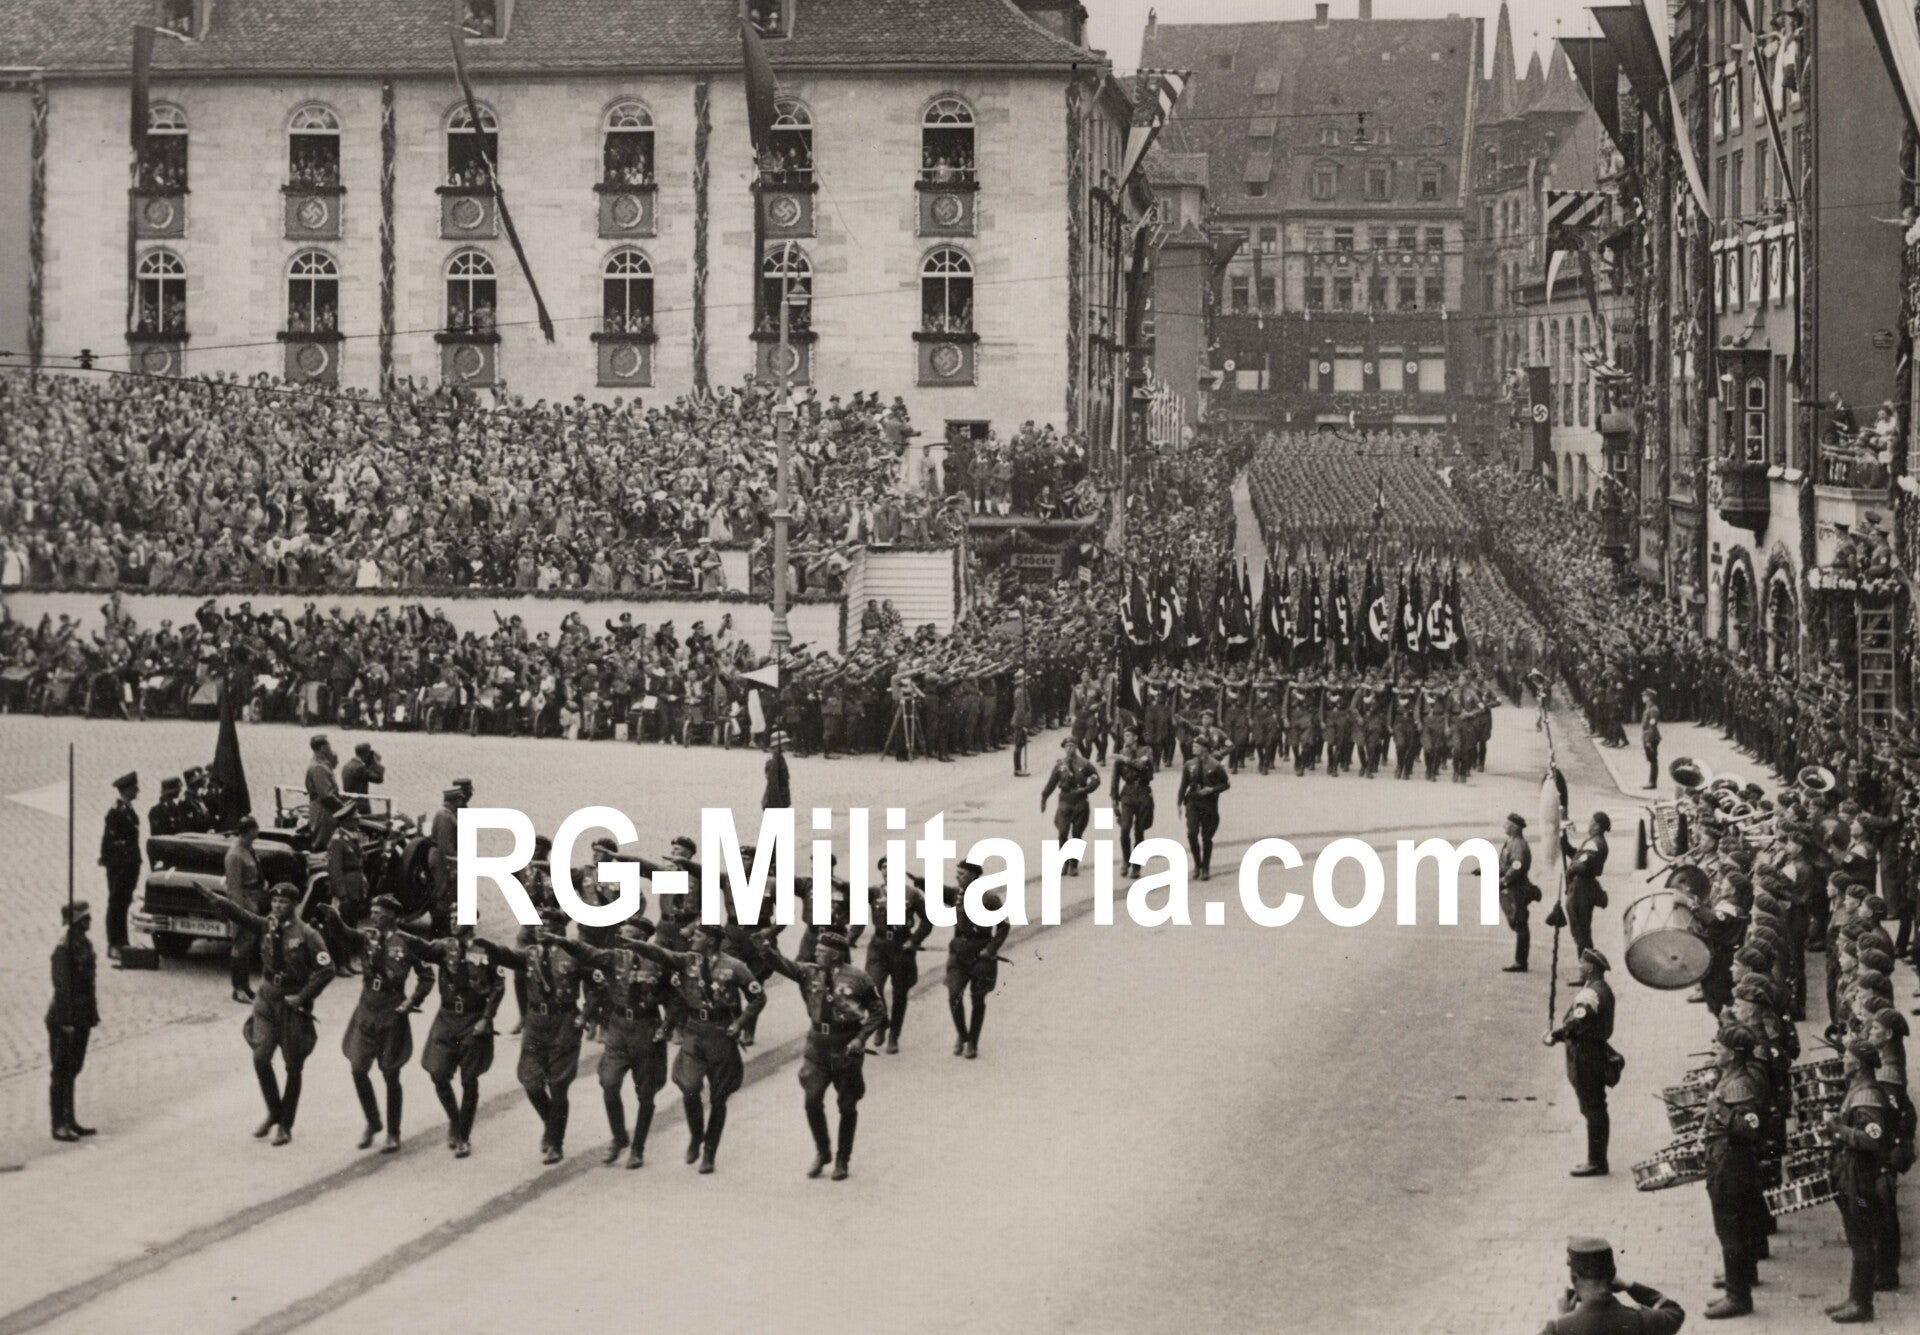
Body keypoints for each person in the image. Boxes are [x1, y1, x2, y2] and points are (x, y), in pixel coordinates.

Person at [189, 880, 336, 1145]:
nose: (277, 906)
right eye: (275, 901)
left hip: (292, 1002)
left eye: (283, 902)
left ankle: (285, 1125)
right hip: (267, 997)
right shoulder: (267, 925)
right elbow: (242, 916)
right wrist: (217, 900)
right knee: (260, 1056)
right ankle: (273, 1112)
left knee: (293, 1065)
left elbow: (327, 970)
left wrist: (302, 997)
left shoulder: (308, 934)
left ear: (294, 905)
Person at [630, 920, 767, 1174]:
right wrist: (634, 944)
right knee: (689, 1087)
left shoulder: (735, 966)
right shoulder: (687, 961)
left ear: (711, 940)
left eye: (699, 935)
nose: (692, 938)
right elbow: (662, 954)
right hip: (694, 1031)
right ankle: (696, 1135)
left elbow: (758, 997)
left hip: (721, 1033)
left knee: (718, 1097)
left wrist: (741, 1023)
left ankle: (709, 1152)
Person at [551, 916, 673, 1168]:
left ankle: (637, 1148)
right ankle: (619, 1138)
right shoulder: (614, 957)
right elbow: (588, 951)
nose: (621, 938)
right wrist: (561, 940)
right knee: (609, 1082)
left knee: (646, 1093)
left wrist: (666, 1027)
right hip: (618, 1027)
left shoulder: (660, 961)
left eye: (627, 934)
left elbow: (677, 998)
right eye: (621, 933)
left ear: (642, 938)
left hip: (646, 1027)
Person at [764, 929, 886, 1179]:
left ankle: (842, 1159)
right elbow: (782, 965)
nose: (816, 953)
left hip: (846, 1045)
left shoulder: (859, 978)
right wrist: (764, 949)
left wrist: (861, 1038)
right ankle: (823, 1152)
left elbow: (877, 1010)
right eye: (816, 950)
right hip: (817, 1046)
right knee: (812, 1100)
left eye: (821, 951)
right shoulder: (808, 972)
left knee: (847, 1105)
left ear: (836, 955)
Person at [335, 894, 433, 1153]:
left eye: (379, 913)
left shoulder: (407, 942)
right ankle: (373, 1122)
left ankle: (393, 1133)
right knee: (358, 1068)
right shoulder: (368, 937)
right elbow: (346, 934)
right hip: (367, 1008)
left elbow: (427, 976)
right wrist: (333, 918)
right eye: (373, 911)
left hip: (392, 1011)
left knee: (391, 1074)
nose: (374, 916)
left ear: (391, 916)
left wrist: (412, 1001)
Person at [492, 904, 587, 1164]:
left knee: (558, 1086)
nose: (540, 931)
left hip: (564, 1022)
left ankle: (556, 1142)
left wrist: (586, 1014)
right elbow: (506, 956)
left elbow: (598, 986)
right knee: (531, 1083)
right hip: (535, 1023)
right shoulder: (530, 954)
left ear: (560, 930)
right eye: (538, 926)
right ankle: (551, 1123)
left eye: (547, 927)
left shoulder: (574, 955)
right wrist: (487, 947)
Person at [416, 920, 505, 1158]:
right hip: (447, 1018)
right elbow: (422, 949)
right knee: (438, 1073)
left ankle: (464, 1136)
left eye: (458, 917)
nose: (453, 922)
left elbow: (498, 986)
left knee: (469, 1079)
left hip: (473, 1018)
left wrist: (487, 1018)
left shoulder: (485, 949)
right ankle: (455, 1121)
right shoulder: (444, 947)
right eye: (451, 917)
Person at [1702, 1023, 1770, 1319]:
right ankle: (1741, 1280)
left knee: (1729, 1229)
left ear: (1732, 1054)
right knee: (1738, 1227)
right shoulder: (1732, 1078)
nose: (1713, 1049)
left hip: (1731, 1164)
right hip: (1729, 1161)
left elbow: (1749, 1127)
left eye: (1719, 1046)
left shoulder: (1740, 1085)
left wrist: (1718, 1109)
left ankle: (1737, 1297)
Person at [1825, 1039, 1896, 1323]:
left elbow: (1871, 1139)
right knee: (1857, 1237)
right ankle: (1855, 1297)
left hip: (1862, 1181)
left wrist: (1839, 1130)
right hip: (1854, 1177)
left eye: (1847, 1057)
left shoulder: (1867, 1096)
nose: (1844, 1060)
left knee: (1862, 1238)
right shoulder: (1859, 1089)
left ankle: (1862, 1304)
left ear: (1858, 1064)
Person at [1548, 947, 1616, 1177]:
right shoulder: (1599, 989)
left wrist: (1555, 1035)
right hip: (1593, 1051)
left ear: (1590, 968)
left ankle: (1596, 1161)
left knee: (1593, 1108)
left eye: (1582, 963)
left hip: (1585, 1056)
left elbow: (1576, 1024)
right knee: (1595, 1106)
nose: (1579, 966)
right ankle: (1597, 1159)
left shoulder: (1590, 995)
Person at [1539, 1237, 1685, 1335]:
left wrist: (1564, 1319)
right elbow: (1675, 1311)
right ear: (1613, 1274)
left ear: (1573, 1277)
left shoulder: (1557, 1329)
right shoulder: (1642, 1321)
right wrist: (1630, 1286)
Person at [865, 860, 934, 1053]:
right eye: (884, 868)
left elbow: (928, 920)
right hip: (879, 945)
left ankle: (894, 1035)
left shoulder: (912, 894)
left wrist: (914, 941)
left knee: (900, 992)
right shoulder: (874, 892)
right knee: (872, 986)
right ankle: (882, 1022)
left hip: (901, 945)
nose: (887, 871)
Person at [943, 860, 1008, 1059]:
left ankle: (973, 1042)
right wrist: (921, 882)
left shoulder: (989, 898)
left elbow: (1004, 926)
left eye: (961, 874)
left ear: (973, 876)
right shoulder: (957, 894)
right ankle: (962, 1035)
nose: (957, 877)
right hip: (959, 953)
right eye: (957, 873)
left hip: (981, 955)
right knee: (954, 995)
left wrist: (990, 949)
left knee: (977, 998)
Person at [48, 899, 99, 1142]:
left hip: (82, 1016)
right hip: (65, 1018)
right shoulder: (64, 948)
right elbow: (62, 987)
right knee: (61, 1070)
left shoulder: (83, 943)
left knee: (74, 1068)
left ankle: (70, 1119)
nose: (90, 921)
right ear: (77, 921)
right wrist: (65, 1021)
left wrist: (91, 1015)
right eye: (86, 917)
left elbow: (88, 983)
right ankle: (58, 1123)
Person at [1039, 738, 1100, 876]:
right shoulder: (1060, 765)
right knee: (1062, 832)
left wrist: (1086, 789)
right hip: (1065, 801)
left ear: (1076, 747)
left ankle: (1073, 864)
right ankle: (1064, 862)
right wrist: (1044, 797)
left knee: (1077, 834)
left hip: (1080, 801)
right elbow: (1051, 783)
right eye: (1067, 746)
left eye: (1072, 746)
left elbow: (1096, 779)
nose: (1069, 749)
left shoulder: (1085, 763)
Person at [98, 771, 141, 960]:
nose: (137, 790)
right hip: (119, 866)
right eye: (134, 787)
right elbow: (108, 841)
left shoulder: (128, 810)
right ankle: (113, 944)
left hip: (129, 865)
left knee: (123, 904)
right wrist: (114, 862)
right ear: (126, 790)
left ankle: (123, 941)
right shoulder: (116, 812)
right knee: (115, 904)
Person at [223, 815, 265, 1002]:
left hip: (253, 902)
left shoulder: (249, 850)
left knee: (247, 946)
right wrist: (238, 914)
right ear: (249, 831)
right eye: (255, 829)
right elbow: (234, 888)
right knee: (240, 947)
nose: (258, 832)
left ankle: (245, 986)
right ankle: (238, 988)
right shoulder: (235, 855)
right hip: (244, 903)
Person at [1177, 738, 1230, 882]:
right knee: (1192, 833)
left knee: (1206, 837)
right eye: (1193, 746)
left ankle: (1205, 867)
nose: (1193, 748)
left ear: (1204, 748)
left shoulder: (1215, 765)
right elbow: (1183, 785)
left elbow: (1226, 784)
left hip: (1208, 802)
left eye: (1196, 746)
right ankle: (1197, 864)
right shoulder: (1189, 764)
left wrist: (1212, 789)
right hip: (1193, 801)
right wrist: (1179, 803)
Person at [1561, 811, 1611, 963]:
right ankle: (1587, 965)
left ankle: (1587, 966)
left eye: (1591, 822)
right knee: (1582, 930)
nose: (1589, 824)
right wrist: (1565, 844)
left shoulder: (1594, 843)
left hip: (1582, 888)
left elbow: (1581, 865)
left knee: (1580, 931)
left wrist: (1570, 871)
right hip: (1585, 886)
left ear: (1597, 826)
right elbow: (1578, 856)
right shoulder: (1595, 842)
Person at [1110, 727, 1156, 874]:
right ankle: (1126, 860)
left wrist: (1126, 759)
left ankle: (1136, 866)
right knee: (1124, 829)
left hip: (1143, 791)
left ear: (1136, 737)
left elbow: (1142, 765)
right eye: (1124, 736)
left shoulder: (1146, 750)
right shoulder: (1122, 753)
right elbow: (1115, 778)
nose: (1125, 738)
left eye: (1128, 735)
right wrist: (1114, 799)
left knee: (1139, 831)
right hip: (1128, 793)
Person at [1498, 812, 1537, 973]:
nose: (1504, 826)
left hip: (1518, 888)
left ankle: (1521, 962)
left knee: (1520, 923)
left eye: (1507, 824)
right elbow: (1505, 864)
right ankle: (1520, 960)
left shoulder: (1518, 845)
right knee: (1517, 922)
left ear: (1515, 828)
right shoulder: (1511, 842)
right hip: (1513, 887)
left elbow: (1517, 865)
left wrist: (1504, 880)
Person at [429, 786, 465, 936]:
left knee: (445, 893)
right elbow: (445, 845)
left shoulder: (445, 814)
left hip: (442, 858)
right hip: (442, 860)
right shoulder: (445, 816)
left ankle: (441, 928)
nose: (461, 803)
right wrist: (455, 861)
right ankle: (437, 931)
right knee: (443, 893)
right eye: (460, 800)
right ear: (455, 801)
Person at [305, 734, 340, 852]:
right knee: (322, 843)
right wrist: (343, 808)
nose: (330, 747)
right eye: (328, 745)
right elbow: (326, 795)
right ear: (322, 748)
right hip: (323, 811)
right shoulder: (319, 767)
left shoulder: (321, 763)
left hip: (324, 809)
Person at [1641, 690, 1662, 790]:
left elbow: (1652, 726)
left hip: (1652, 737)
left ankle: (1652, 782)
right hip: (1647, 736)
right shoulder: (1648, 708)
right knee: (1651, 759)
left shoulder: (1653, 710)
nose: (1643, 697)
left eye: (1644, 696)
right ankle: (1651, 781)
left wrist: (1648, 740)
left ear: (1649, 697)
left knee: (1653, 760)